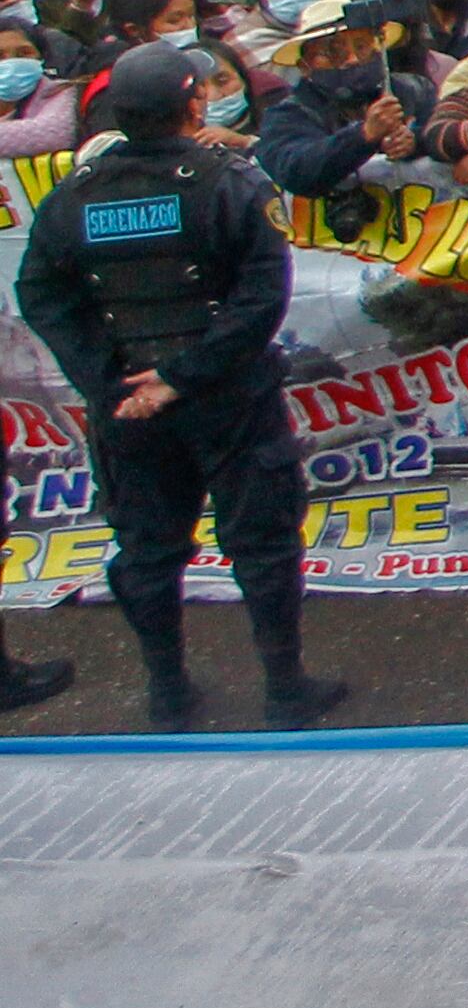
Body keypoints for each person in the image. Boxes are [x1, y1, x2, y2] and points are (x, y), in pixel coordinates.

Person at [11, 46, 340, 728]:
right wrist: (178, 376)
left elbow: (41, 294)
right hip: (228, 398)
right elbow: (259, 300)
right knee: (263, 543)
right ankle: (285, 689)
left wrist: (109, 382)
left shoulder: (75, 194)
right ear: (194, 105)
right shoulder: (228, 182)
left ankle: (167, 692)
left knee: (148, 549)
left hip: (129, 403)